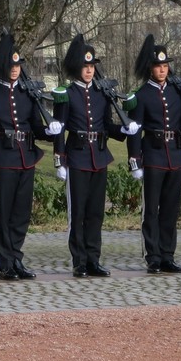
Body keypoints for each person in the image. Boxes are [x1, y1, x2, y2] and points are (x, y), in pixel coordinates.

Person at [0, 33, 63, 280]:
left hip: (26, 157)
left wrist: (49, 131)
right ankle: (5, 262)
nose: (15, 70)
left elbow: (35, 126)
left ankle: (16, 257)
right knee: (3, 214)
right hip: (3, 158)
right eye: (11, 66)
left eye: (18, 66)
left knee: (21, 213)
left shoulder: (28, 94)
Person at [124, 35, 181, 275]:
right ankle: (153, 256)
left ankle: (167, 255)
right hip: (152, 154)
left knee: (171, 209)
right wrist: (135, 160)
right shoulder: (141, 95)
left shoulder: (177, 92)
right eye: (158, 67)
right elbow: (135, 130)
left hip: (176, 154)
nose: (162, 70)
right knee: (152, 209)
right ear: (150, 69)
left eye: (165, 66)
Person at [52, 35, 136, 278]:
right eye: (85, 67)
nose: (89, 71)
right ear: (78, 69)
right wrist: (59, 158)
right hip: (77, 156)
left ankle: (93, 258)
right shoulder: (66, 94)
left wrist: (124, 130)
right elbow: (60, 127)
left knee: (96, 212)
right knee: (78, 212)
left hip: (99, 156)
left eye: (91, 67)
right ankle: (79, 261)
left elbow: (107, 125)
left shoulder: (102, 94)